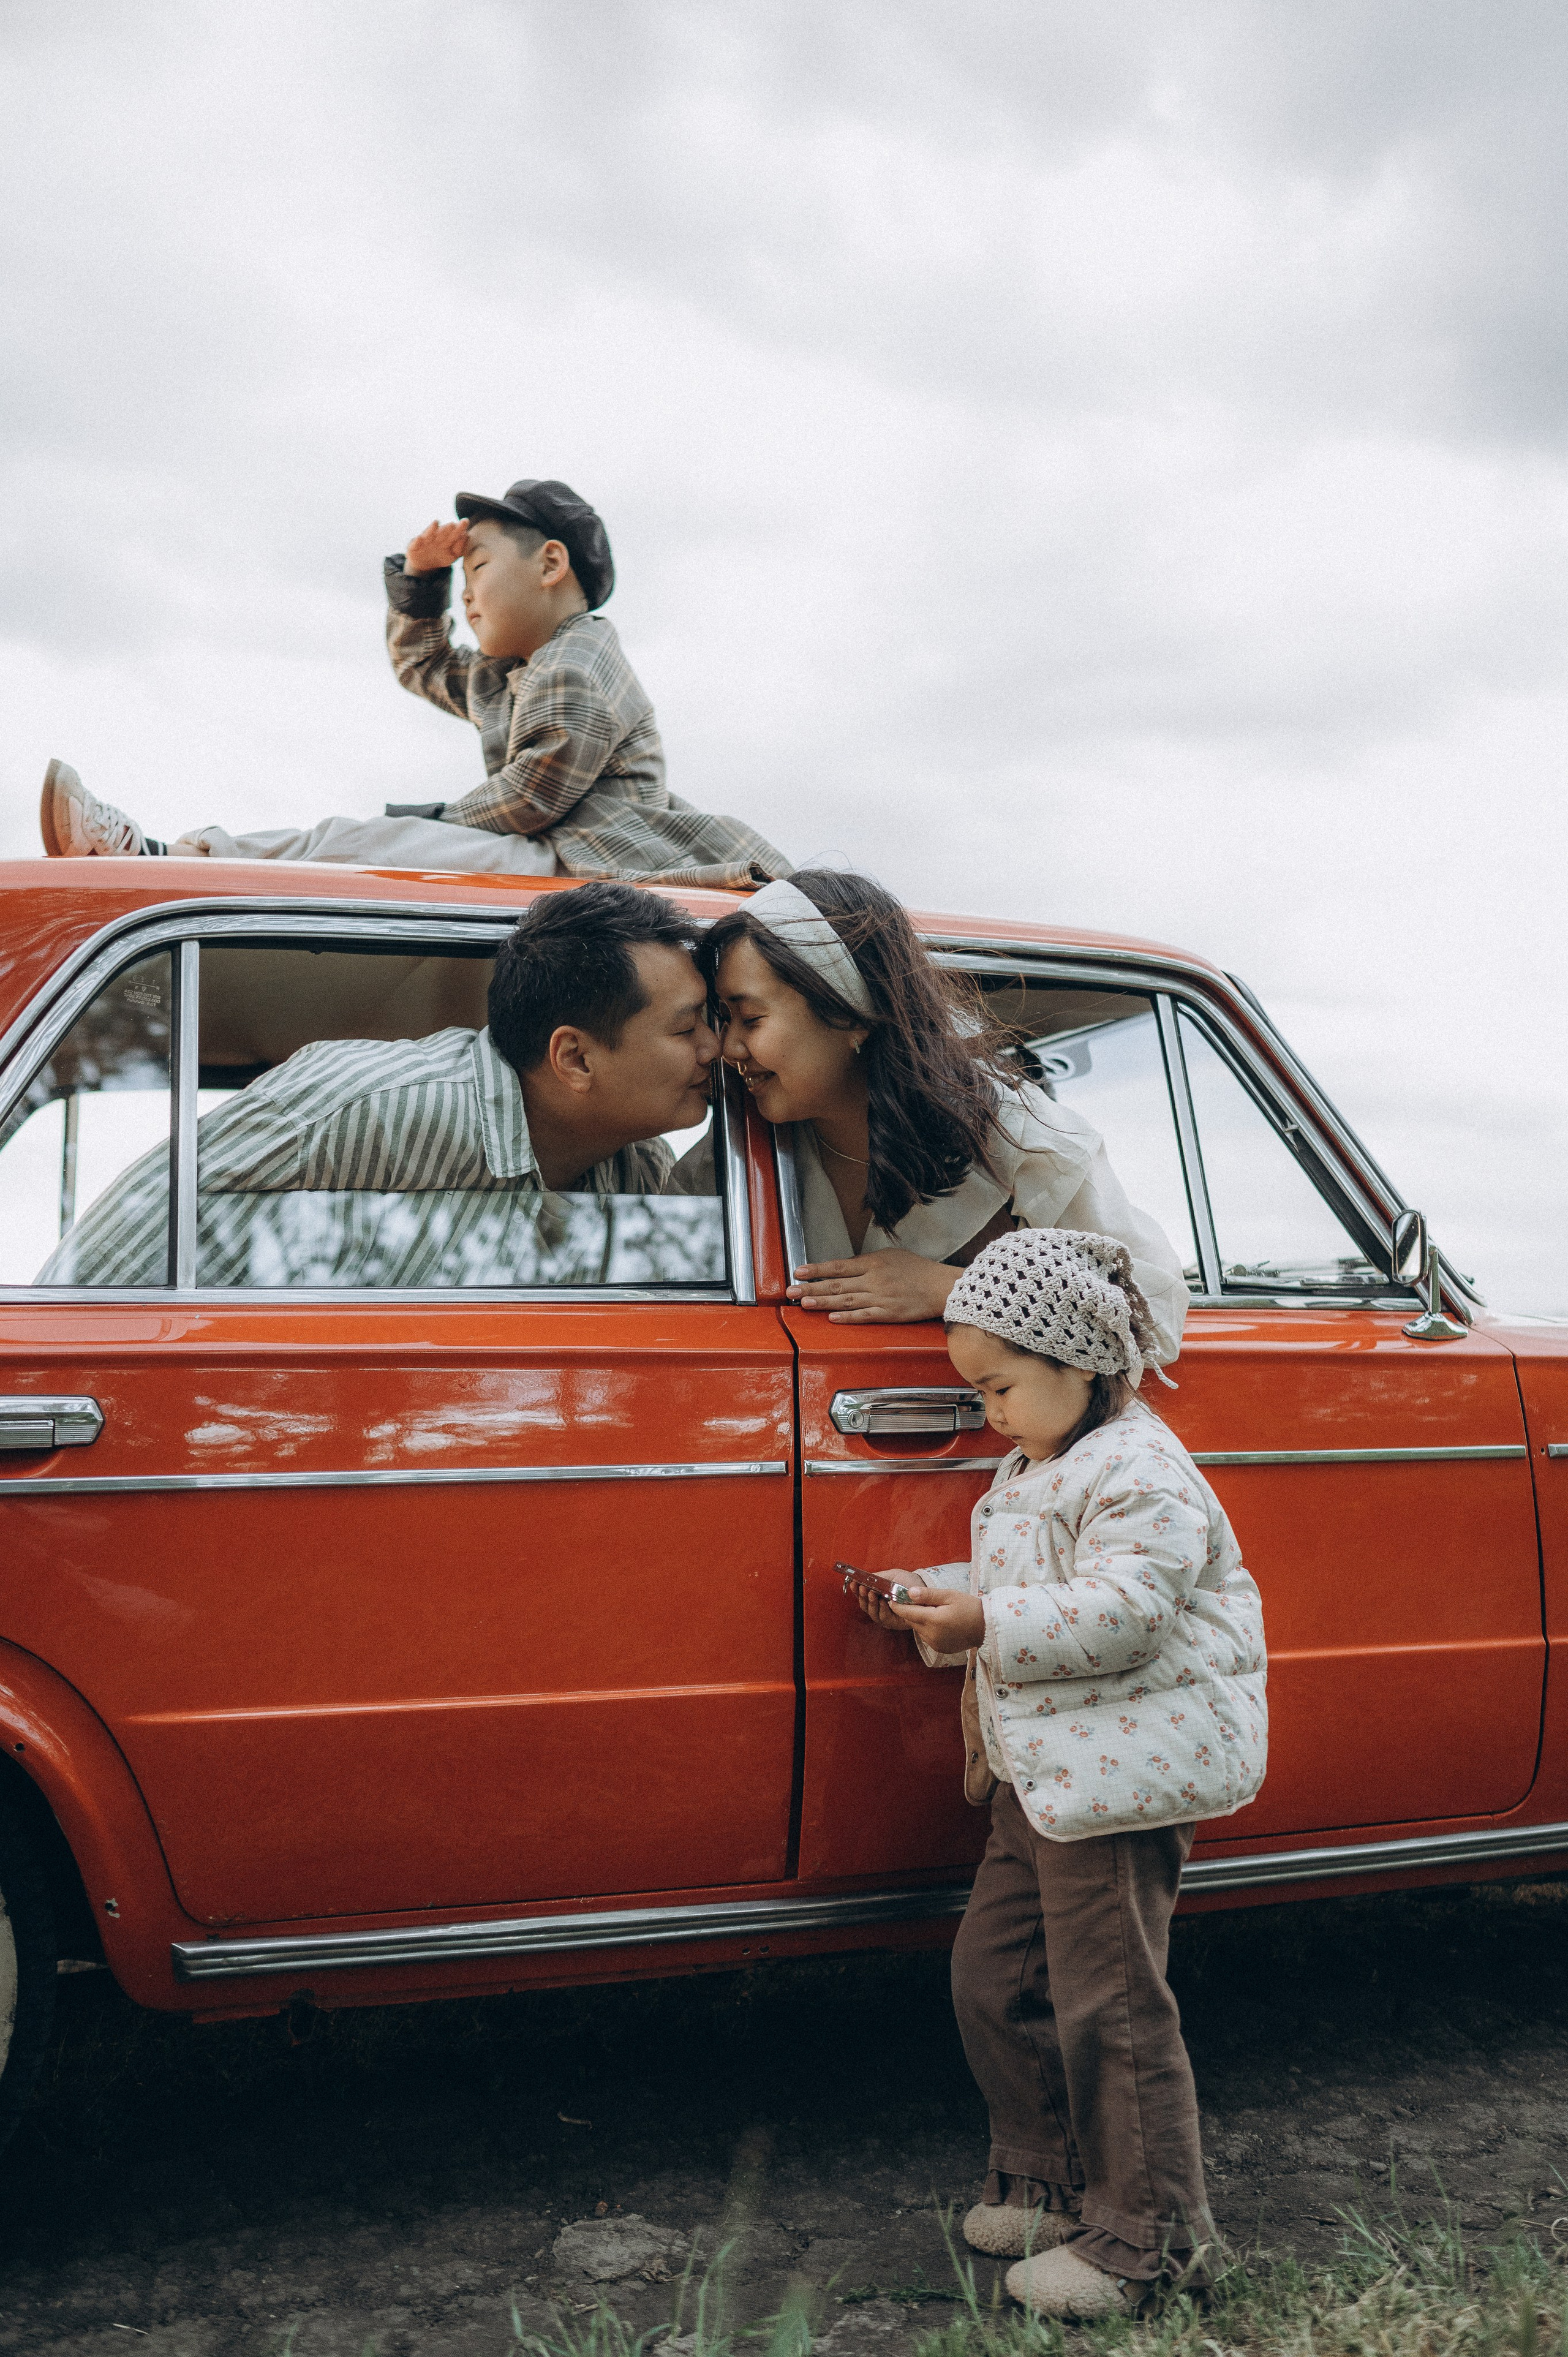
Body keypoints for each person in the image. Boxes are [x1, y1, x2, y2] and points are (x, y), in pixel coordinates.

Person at [849, 1228, 1267, 2318]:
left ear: (1079, 1361)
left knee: (1111, 2008)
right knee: (994, 1975)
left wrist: (986, 1616)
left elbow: (1125, 1610)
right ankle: (1046, 2178)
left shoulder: (1142, 1469)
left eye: (998, 1384)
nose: (983, 1408)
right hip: (1045, 1780)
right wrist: (932, 1596)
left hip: (1120, 1783)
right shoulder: (1039, 1460)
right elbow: (1031, 1582)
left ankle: (1152, 2239)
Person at [38, 478, 791, 892]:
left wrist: (432, 821)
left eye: (477, 570)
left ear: (551, 565)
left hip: (583, 859)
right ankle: (167, 858)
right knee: (361, 841)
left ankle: (167, 860)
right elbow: (425, 666)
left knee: (360, 841)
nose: (467, 596)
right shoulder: (514, 673)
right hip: (552, 852)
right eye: (459, 582)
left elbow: (536, 791)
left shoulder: (583, 655)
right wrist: (422, 583)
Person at [41, 883, 723, 1286]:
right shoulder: (366, 1104)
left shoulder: (634, 1167)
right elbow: (100, 1277)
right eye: (688, 1026)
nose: (714, 1048)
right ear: (573, 1059)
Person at [699, 870, 1188, 1352]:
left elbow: (1155, 1316)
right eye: (724, 1019)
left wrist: (953, 1289)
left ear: (849, 1011)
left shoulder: (1015, 1133)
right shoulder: (741, 1150)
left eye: (751, 1018)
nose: (729, 1047)